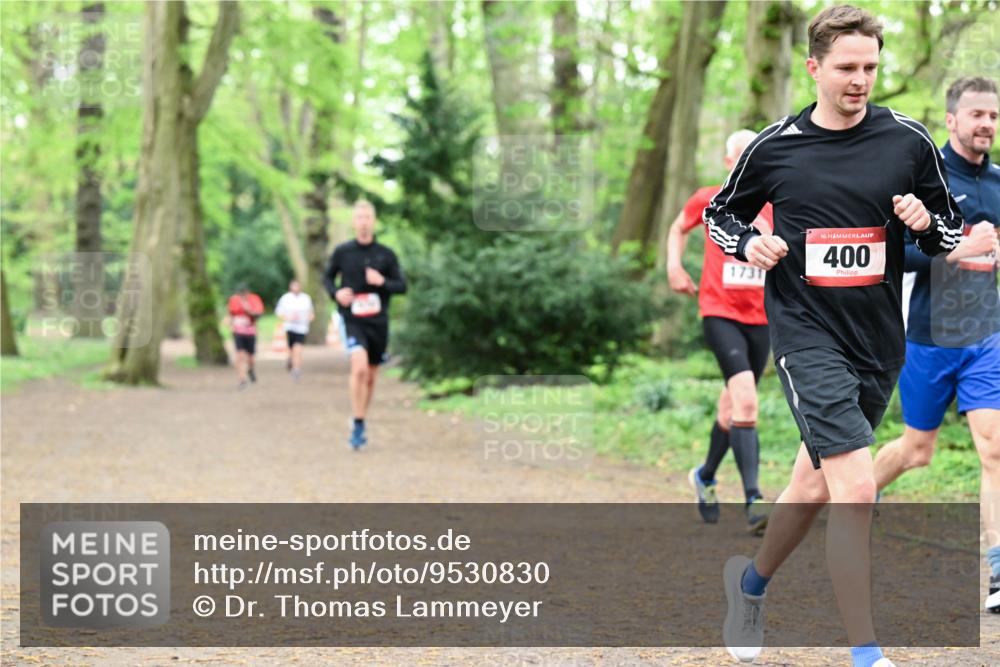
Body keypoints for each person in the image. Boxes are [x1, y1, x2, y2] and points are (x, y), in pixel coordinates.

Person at [702, 6, 962, 666]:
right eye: (847, 68)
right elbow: (719, 215)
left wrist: (922, 219)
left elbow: (948, 236)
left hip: (877, 341)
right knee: (855, 485)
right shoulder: (776, 145)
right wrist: (752, 241)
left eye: (870, 67)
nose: (860, 80)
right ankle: (867, 651)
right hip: (804, 332)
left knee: (812, 487)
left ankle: (750, 581)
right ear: (814, 67)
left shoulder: (909, 142)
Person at [872, 76, 1000, 611]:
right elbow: (895, 252)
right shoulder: (926, 179)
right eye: (976, 116)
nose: (987, 125)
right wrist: (956, 246)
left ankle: (998, 573)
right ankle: (857, 492)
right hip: (926, 336)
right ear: (951, 120)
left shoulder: (998, 182)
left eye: (993, 116)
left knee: (993, 446)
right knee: (917, 451)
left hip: (985, 334)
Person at [667, 129, 774, 534]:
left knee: (731, 408)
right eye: (742, 156)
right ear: (729, 162)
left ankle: (705, 476)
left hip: (761, 319)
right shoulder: (709, 198)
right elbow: (678, 227)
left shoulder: (774, 207)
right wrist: (674, 266)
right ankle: (754, 501)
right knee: (746, 402)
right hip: (719, 312)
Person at [323, 200, 406, 450]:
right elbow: (327, 277)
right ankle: (358, 422)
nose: (363, 221)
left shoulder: (386, 255)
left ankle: (361, 418)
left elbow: (401, 286)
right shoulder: (343, 252)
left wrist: (382, 281)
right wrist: (336, 293)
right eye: (359, 217)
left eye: (367, 217)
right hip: (352, 319)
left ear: (374, 221)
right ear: (353, 222)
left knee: (370, 377)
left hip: (378, 323)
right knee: (358, 368)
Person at [275, 279, 315, 381]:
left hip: (302, 328)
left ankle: (296, 369)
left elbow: (311, 313)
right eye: (294, 286)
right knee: (291, 348)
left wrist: (308, 318)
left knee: (298, 348)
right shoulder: (285, 298)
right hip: (290, 327)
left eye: (297, 286)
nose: (296, 288)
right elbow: (279, 312)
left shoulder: (306, 298)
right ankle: (291, 360)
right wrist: (287, 318)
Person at [227, 284, 265, 391]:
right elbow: (231, 314)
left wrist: (248, 309)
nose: (242, 296)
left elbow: (258, 315)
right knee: (240, 356)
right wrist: (229, 321)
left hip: (250, 332)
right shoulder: (234, 300)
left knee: (251, 358)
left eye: (244, 293)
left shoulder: (255, 299)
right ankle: (242, 380)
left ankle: (250, 369)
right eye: (240, 294)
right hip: (238, 332)